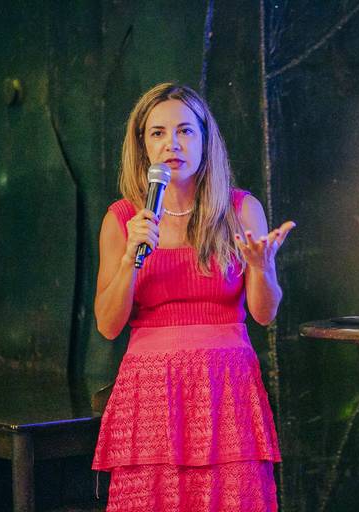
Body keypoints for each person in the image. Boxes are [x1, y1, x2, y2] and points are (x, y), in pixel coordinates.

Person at [92, 82, 294, 512]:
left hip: (227, 388)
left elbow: (263, 315)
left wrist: (261, 267)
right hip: (151, 393)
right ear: (143, 146)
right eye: (158, 133)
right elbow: (107, 325)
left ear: (205, 140)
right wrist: (130, 259)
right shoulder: (123, 219)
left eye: (185, 130)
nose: (172, 144)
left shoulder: (240, 210)